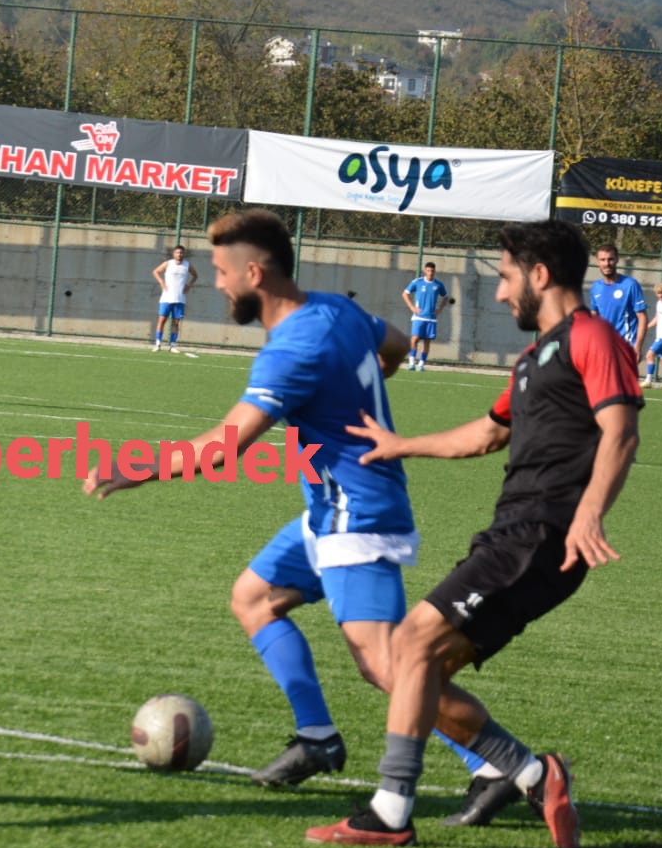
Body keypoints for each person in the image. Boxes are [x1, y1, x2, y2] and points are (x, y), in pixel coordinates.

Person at [84, 210, 501, 814]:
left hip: (357, 517)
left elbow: (225, 446)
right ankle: (318, 737)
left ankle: (496, 762)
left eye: (224, 272)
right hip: (328, 510)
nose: (219, 284)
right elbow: (397, 347)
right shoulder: (338, 310)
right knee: (253, 598)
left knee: (389, 668)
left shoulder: (292, 351)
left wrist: (136, 469)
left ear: (255, 272)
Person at [308, 218, 641, 848]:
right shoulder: (531, 360)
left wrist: (591, 511)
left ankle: (391, 809)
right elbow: (487, 434)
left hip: (542, 534)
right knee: (403, 666)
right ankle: (531, 772)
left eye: (508, 278)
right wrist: (401, 443)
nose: (499, 294)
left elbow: (621, 429)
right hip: (513, 532)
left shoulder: (592, 337)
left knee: (407, 647)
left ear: (540, 276)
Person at [587, 244, 649, 377]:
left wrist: (637, 346)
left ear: (616, 260)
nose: (607, 263)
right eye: (603, 260)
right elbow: (594, 315)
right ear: (597, 261)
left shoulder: (630, 285)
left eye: (610, 259)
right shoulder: (595, 288)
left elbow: (642, 317)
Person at [401, 262, 446, 372]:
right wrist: (412, 307)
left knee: (427, 341)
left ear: (434, 272)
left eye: (432, 271)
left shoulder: (438, 284)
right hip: (418, 317)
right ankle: (411, 362)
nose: (430, 273)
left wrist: (440, 309)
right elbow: (405, 294)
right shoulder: (417, 282)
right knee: (415, 339)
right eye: (428, 270)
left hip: (431, 318)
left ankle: (421, 364)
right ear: (425, 271)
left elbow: (445, 297)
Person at [151, 245, 197, 352]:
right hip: (166, 298)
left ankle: (173, 345)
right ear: (174, 253)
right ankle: (158, 344)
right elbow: (155, 272)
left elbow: (195, 275)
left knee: (176, 322)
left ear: (184, 254)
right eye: (177, 252)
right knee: (162, 320)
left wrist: (189, 285)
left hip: (180, 299)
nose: (179, 254)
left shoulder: (187, 265)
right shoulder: (168, 263)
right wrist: (162, 282)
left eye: (181, 253)